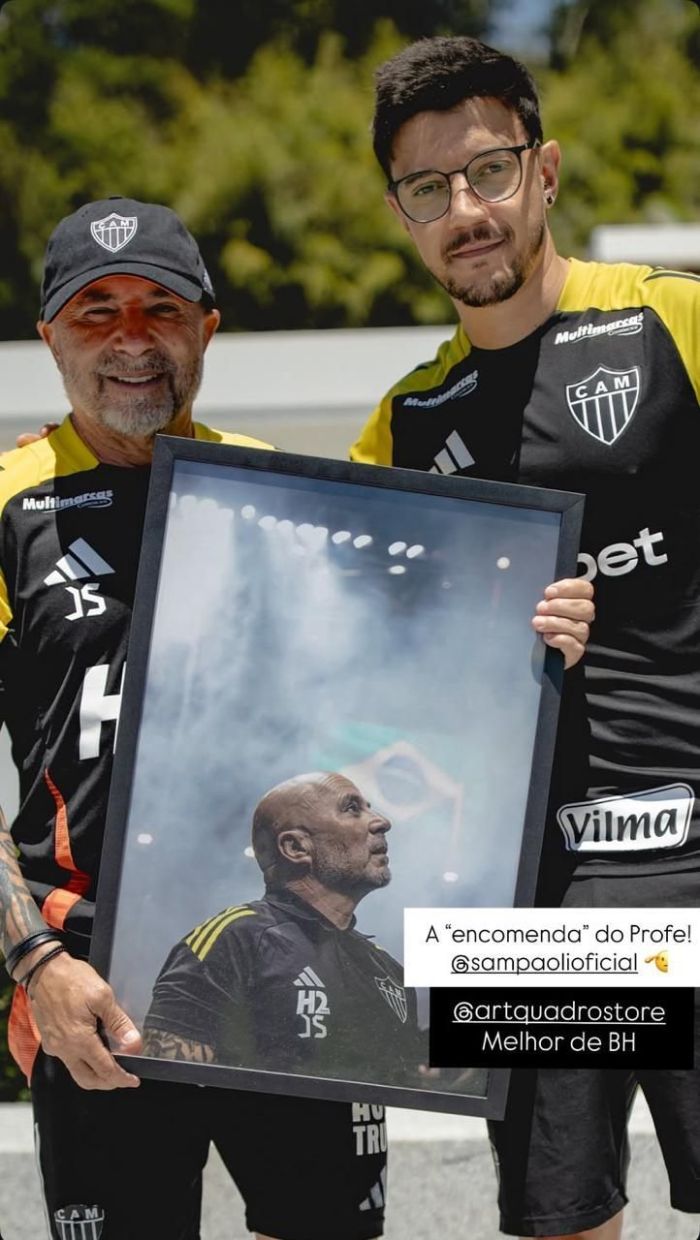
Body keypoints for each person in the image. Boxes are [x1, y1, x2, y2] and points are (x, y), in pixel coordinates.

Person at [351, 34, 699, 1240]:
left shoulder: (672, 323)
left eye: (489, 171)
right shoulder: (399, 426)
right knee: (558, 1219)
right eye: (428, 188)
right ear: (399, 212)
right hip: (517, 899)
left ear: (544, 171)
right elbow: (365, 678)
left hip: (688, 852)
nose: (466, 210)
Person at [0, 197, 389, 1240]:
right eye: (95, 312)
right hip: (99, 989)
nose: (132, 339)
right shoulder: (8, 505)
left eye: (159, 309)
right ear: (48, 338)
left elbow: (391, 702)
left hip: (295, 975)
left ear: (207, 329)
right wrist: (35, 963)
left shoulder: (285, 491)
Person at [143, 771, 422, 1086]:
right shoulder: (235, 940)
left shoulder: (386, 968)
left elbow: (425, 1082)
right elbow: (170, 1108)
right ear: (296, 847)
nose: (382, 821)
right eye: (351, 809)